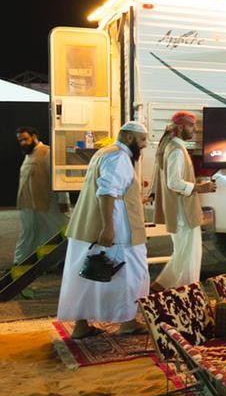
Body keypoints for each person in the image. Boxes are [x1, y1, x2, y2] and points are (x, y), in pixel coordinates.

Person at [57, 122, 151, 339]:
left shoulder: (104, 152)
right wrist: (108, 228)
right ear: (129, 137)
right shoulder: (119, 156)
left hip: (87, 226)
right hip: (118, 230)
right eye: (142, 139)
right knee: (131, 274)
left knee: (86, 277)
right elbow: (107, 192)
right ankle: (128, 323)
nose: (145, 144)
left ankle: (81, 326)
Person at [153, 111, 216, 290]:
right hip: (183, 212)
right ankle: (188, 293)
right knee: (190, 257)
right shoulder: (176, 150)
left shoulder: (173, 146)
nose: (195, 129)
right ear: (181, 127)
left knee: (183, 255)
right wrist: (199, 187)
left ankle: (161, 286)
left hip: (181, 211)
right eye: (191, 125)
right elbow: (173, 182)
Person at [14, 127, 65, 265]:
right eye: (20, 140)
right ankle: (20, 262)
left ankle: (59, 262)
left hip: (47, 204)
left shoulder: (47, 152)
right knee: (28, 233)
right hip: (28, 205)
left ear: (34, 136)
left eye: (25, 139)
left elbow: (58, 178)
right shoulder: (29, 155)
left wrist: (63, 200)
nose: (23, 143)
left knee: (56, 233)